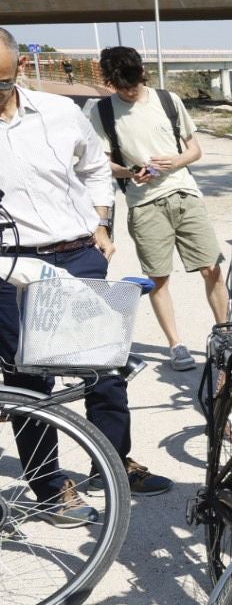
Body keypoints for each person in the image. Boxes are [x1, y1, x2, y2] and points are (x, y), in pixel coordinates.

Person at [0, 27, 171, 504]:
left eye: (1, 82)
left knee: (104, 371)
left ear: (19, 69)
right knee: (29, 379)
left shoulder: (58, 113)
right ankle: (49, 486)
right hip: (8, 266)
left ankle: (115, 466)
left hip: (77, 256)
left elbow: (95, 168)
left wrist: (101, 225)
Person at [92, 46, 229, 372]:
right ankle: (176, 345)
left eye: (134, 83)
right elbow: (100, 162)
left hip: (184, 194)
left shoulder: (168, 100)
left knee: (212, 267)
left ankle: (224, 333)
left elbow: (194, 149)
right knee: (159, 279)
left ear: (143, 73)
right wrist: (128, 172)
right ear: (111, 82)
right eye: (122, 86)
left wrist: (176, 160)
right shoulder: (102, 112)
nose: (130, 91)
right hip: (144, 204)